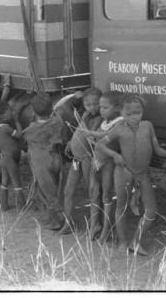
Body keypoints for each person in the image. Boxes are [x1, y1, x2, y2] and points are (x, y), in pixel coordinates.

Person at [96, 94, 166, 255]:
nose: (134, 117)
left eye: (137, 113)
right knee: (121, 207)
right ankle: (123, 241)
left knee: (151, 210)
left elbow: (156, 148)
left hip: (142, 174)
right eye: (129, 114)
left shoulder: (148, 126)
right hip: (123, 171)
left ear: (143, 112)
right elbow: (100, 144)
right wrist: (115, 155)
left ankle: (136, 241)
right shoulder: (119, 128)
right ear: (122, 114)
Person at [58, 87, 103, 235]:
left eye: (96, 104)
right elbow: (79, 130)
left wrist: (84, 124)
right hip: (76, 159)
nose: (92, 107)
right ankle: (67, 222)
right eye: (88, 104)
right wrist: (71, 142)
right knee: (68, 191)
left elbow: (89, 135)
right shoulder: (84, 114)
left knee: (93, 190)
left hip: (87, 159)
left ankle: (95, 224)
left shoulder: (99, 118)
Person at [80, 91, 123, 241]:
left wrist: (90, 133)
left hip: (107, 164)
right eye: (101, 107)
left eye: (105, 107)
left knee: (106, 194)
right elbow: (97, 141)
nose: (101, 110)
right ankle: (94, 225)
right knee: (94, 192)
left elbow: (104, 137)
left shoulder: (119, 122)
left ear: (117, 108)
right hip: (96, 162)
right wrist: (90, 138)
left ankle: (106, 228)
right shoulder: (103, 122)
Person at [23, 92, 70, 230]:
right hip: (55, 158)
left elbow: (24, 137)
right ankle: (60, 218)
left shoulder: (31, 129)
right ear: (51, 109)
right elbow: (63, 138)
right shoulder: (57, 122)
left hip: (42, 163)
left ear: (34, 111)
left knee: (47, 192)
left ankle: (55, 221)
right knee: (58, 189)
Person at [0, 100, 25, 211]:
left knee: (4, 182)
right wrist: (17, 120)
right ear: (2, 116)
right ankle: (21, 206)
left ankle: (4, 206)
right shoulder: (6, 128)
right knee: (16, 182)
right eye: (10, 111)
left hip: (3, 158)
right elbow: (19, 135)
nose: (12, 112)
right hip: (9, 159)